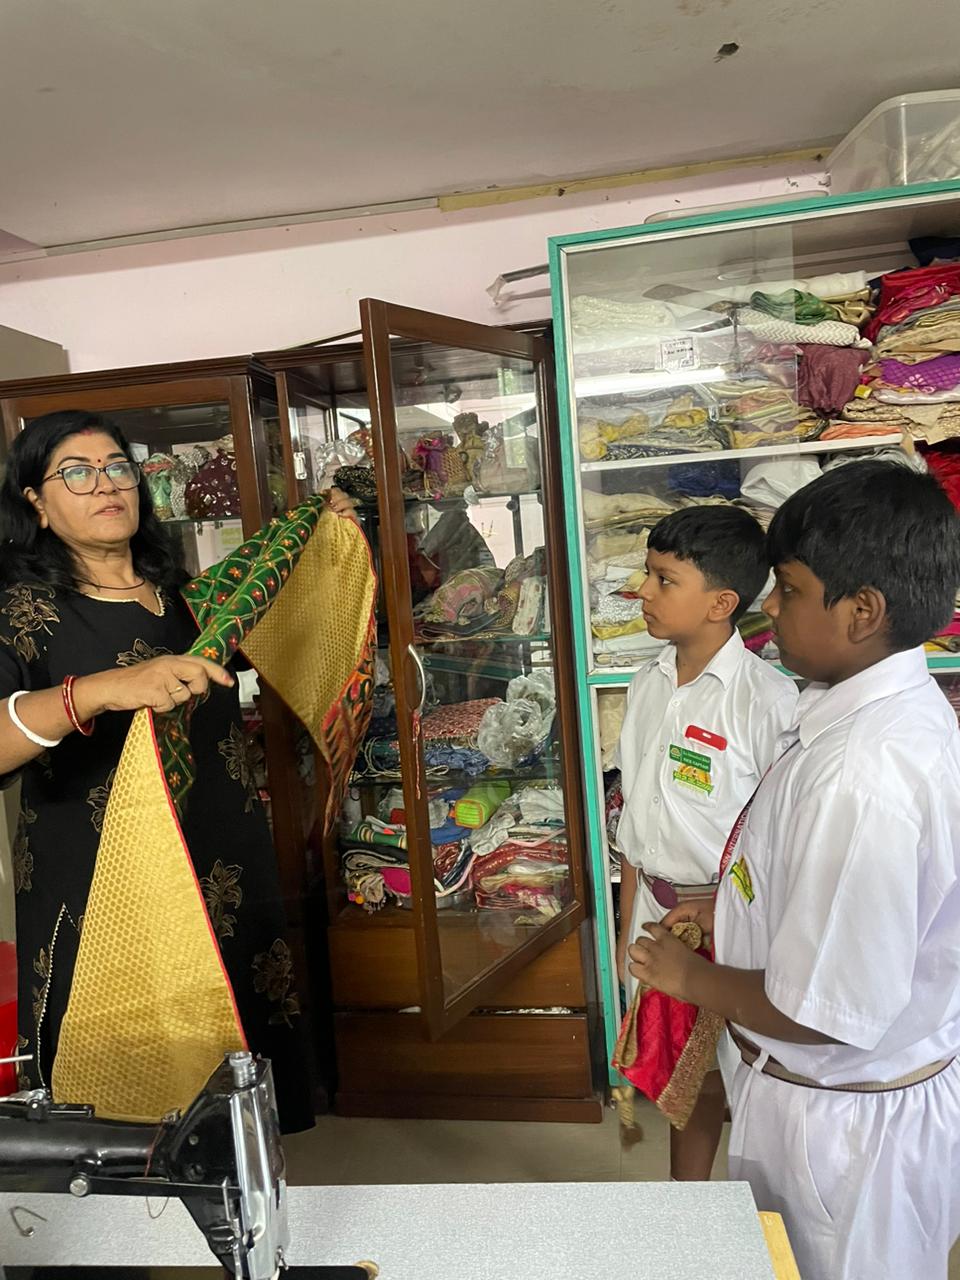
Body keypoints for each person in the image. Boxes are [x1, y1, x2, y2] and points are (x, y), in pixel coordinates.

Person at [628, 460, 960, 1280]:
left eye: (788, 589)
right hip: (821, 1103)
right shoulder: (858, 719)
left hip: (841, 1135)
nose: (769, 608)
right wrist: (730, 912)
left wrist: (690, 977)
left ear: (861, 612)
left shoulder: (863, 777)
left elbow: (828, 1011)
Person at [0, 410, 326, 1133]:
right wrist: (100, 691)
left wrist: (319, 526)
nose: (104, 484)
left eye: (117, 466)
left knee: (232, 1086)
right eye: (75, 473)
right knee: (126, 1106)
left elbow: (278, 595)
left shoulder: (182, 597)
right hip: (99, 886)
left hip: (220, 868)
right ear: (35, 501)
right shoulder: (21, 612)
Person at [614, 505, 797, 1180]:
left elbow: (781, 838)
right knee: (685, 1075)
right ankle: (684, 1202)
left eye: (665, 580)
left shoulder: (766, 702)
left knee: (750, 1068)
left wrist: (737, 913)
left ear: (722, 603)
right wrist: (626, 932)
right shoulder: (646, 684)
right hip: (656, 910)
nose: (643, 591)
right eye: (648, 574)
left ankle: (760, 1211)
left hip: (734, 915)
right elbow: (634, 829)